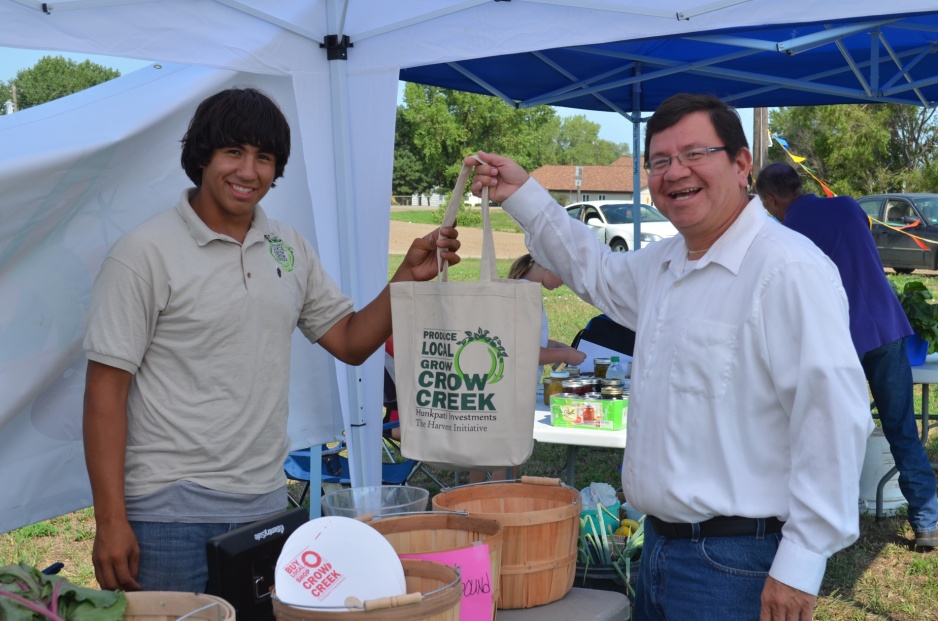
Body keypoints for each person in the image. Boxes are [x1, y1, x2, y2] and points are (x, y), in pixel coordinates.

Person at [465, 93, 873, 620]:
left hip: (736, 563)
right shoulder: (665, 263)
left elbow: (834, 418)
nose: (675, 171)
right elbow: (593, 270)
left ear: (742, 163)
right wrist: (522, 193)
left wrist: (800, 563)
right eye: (659, 161)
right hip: (657, 547)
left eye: (695, 153)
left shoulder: (787, 270)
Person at [82, 87, 460, 593]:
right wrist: (110, 521)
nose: (248, 171)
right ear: (202, 156)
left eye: (264, 157)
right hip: (167, 514)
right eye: (233, 152)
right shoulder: (143, 254)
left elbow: (349, 341)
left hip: (261, 501)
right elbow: (104, 392)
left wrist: (406, 280)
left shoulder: (286, 246)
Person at [756, 162, 938, 548]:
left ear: (771, 199)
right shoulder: (848, 205)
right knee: (902, 429)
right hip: (886, 328)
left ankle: (829, 523)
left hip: (838, 341)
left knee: (830, 434)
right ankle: (928, 523)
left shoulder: (784, 233)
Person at [508, 253, 587, 380]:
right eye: (564, 276)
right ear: (548, 267)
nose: (565, 283)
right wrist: (565, 354)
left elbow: (523, 339)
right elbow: (528, 353)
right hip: (517, 386)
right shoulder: (525, 296)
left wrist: (556, 346)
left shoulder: (524, 291)